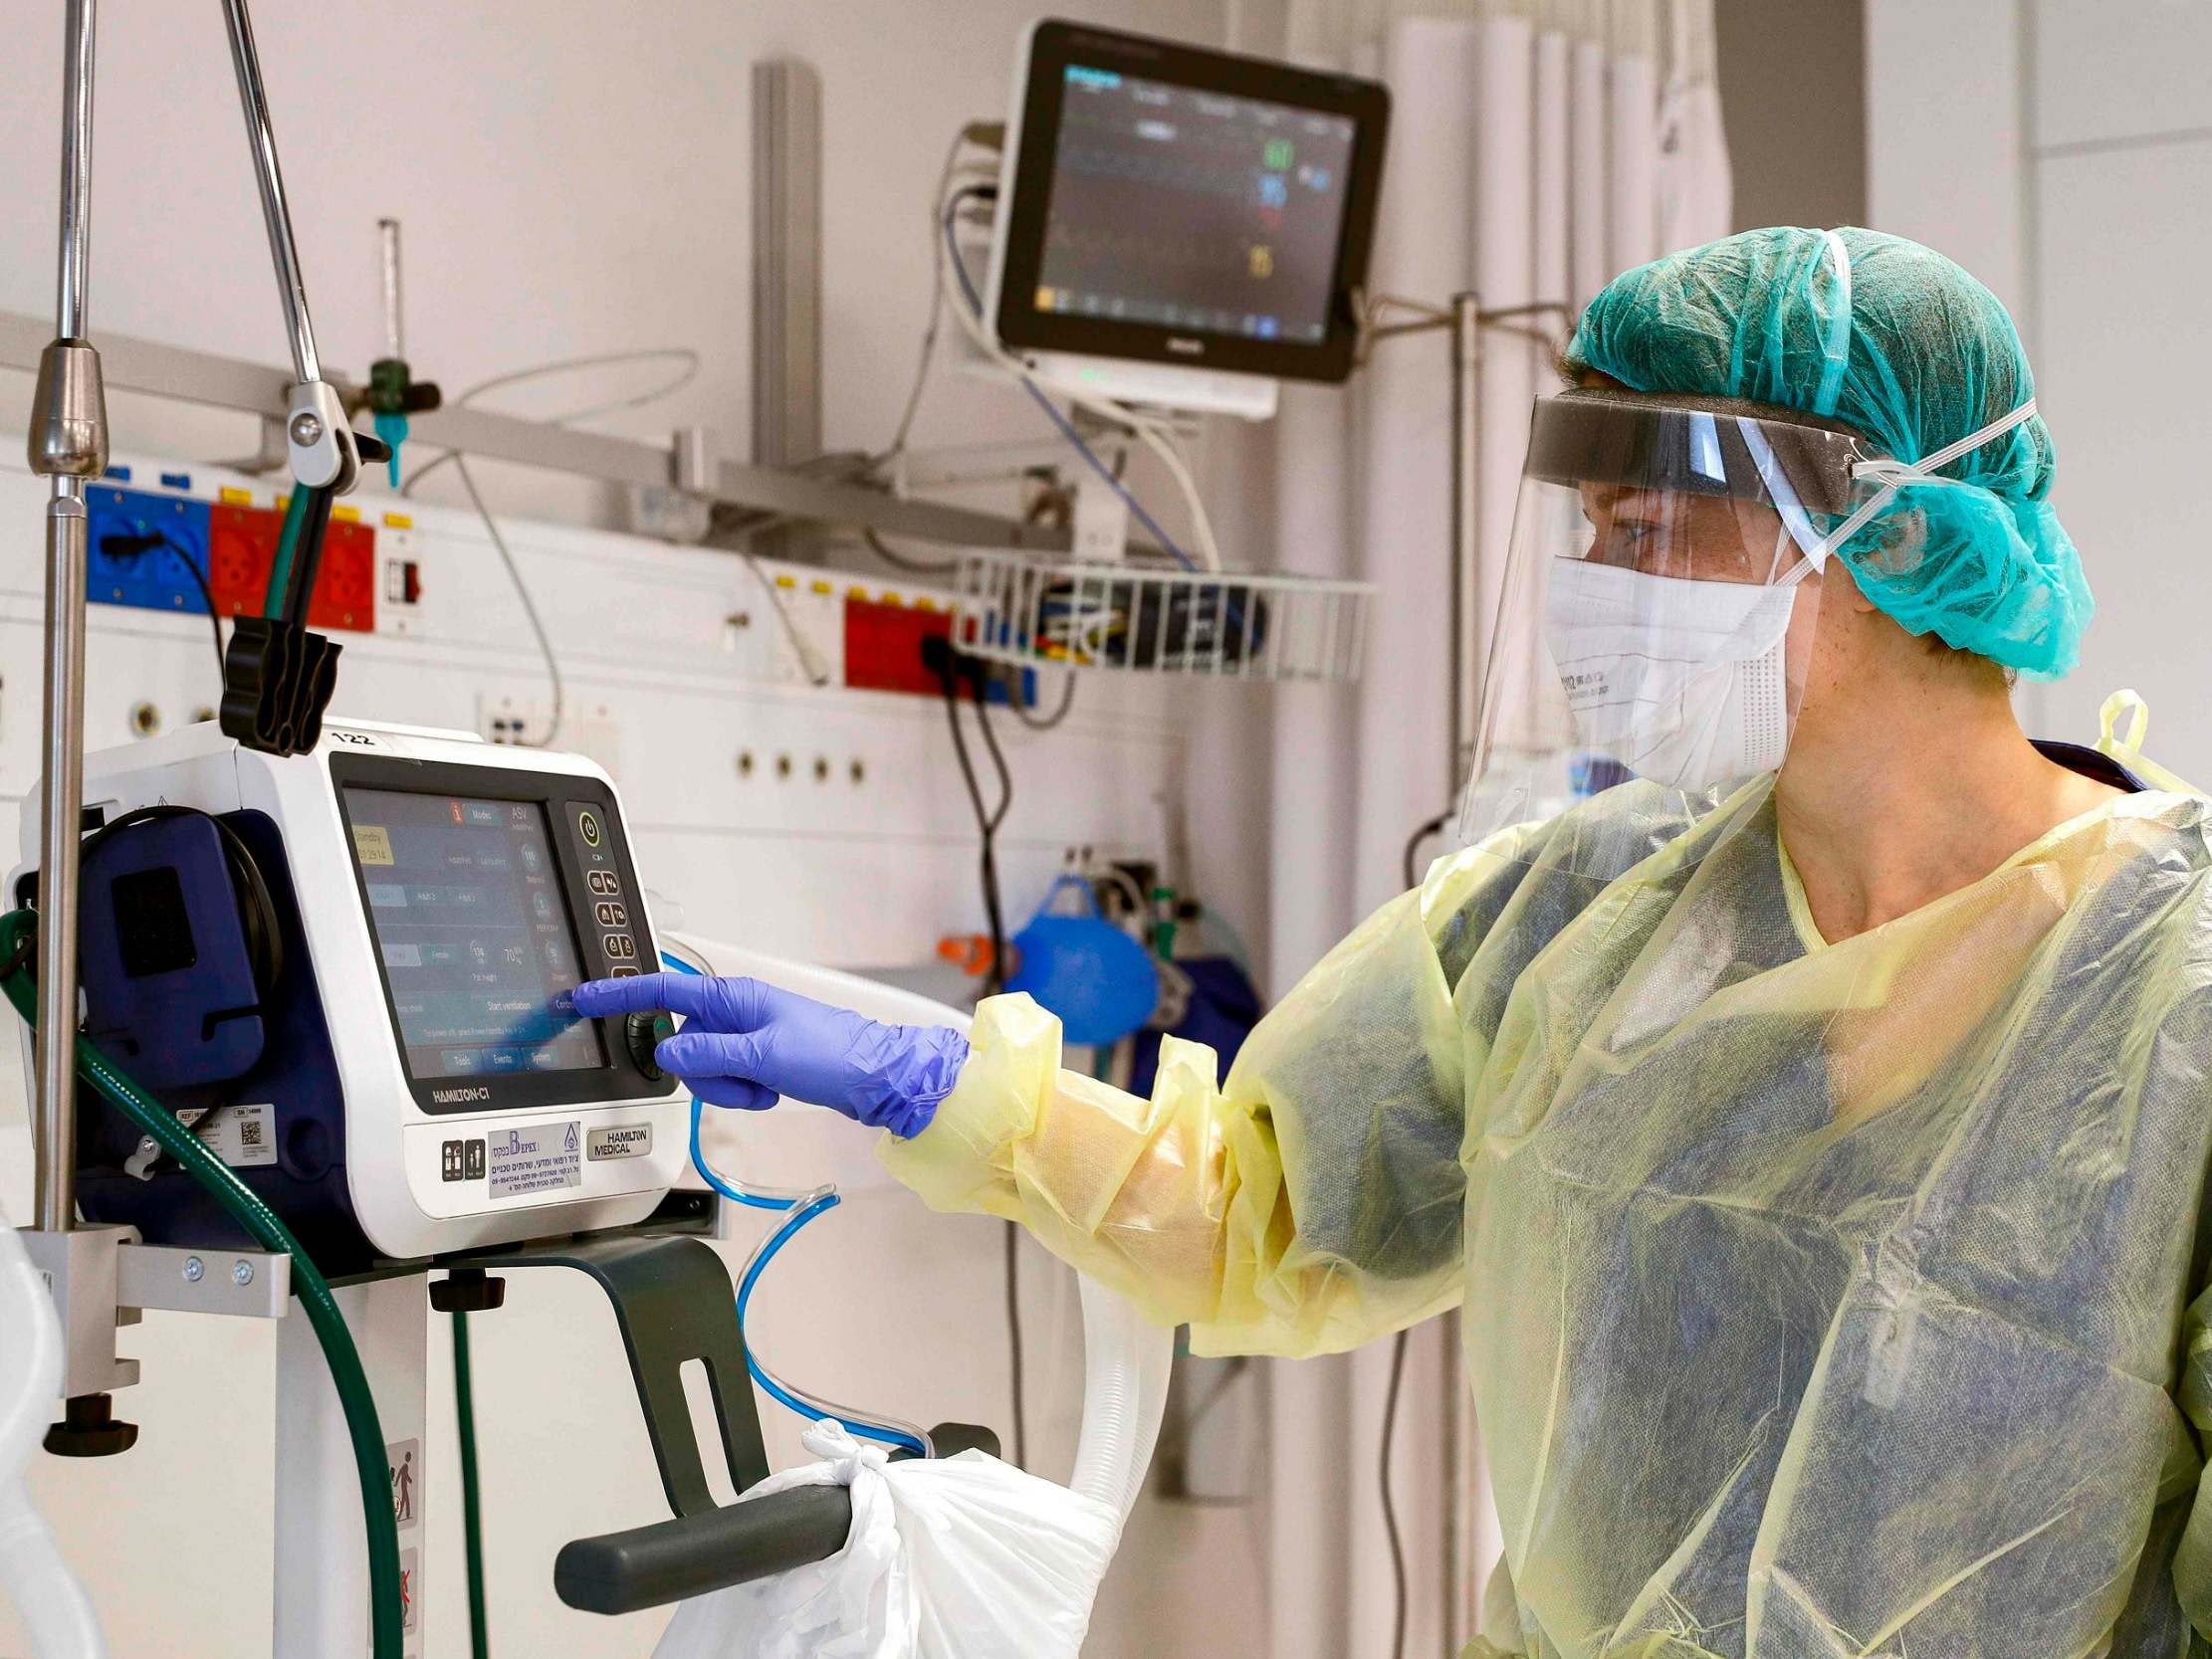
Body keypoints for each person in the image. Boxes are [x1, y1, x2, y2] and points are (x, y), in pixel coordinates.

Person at [578, 227, 2212, 1658]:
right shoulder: (1582, 913)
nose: (1597, 587)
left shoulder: (2175, 985)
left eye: (1649, 535)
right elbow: (1264, 1217)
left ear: (1896, 535)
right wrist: (936, 1085)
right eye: (1589, 530)